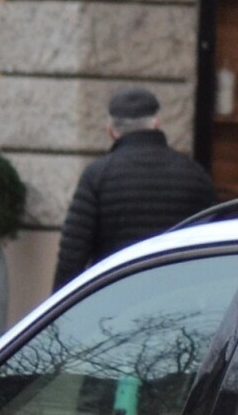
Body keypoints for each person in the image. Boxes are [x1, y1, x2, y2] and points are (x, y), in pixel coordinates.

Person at [51, 86, 219, 289]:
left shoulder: (97, 176)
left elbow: (72, 255)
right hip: (177, 297)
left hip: (115, 297)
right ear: (157, 123)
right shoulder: (194, 174)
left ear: (111, 131)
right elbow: (212, 243)